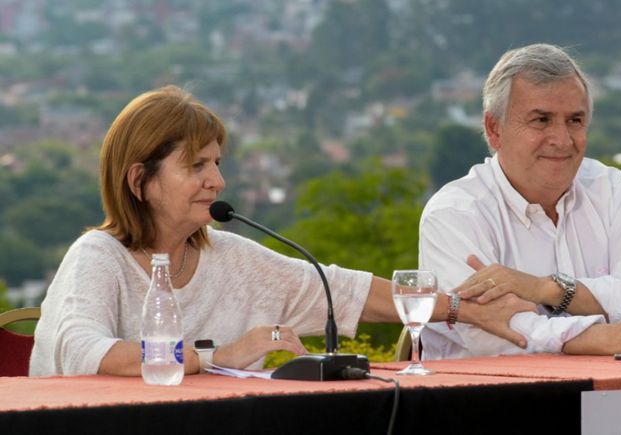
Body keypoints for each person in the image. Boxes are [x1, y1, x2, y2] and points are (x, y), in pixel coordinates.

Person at [29, 85, 534, 377]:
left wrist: (462, 311)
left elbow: (344, 291)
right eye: (196, 166)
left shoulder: (229, 255)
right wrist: (217, 357)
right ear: (139, 180)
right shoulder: (97, 256)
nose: (218, 181)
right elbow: (83, 351)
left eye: (218, 163)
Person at [419, 43, 621, 360]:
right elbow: (487, 331)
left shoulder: (616, 189)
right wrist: (595, 337)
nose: (562, 139)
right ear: (494, 129)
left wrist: (548, 289)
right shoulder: (455, 213)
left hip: (611, 398)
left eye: (575, 121)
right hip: (488, 401)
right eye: (541, 120)